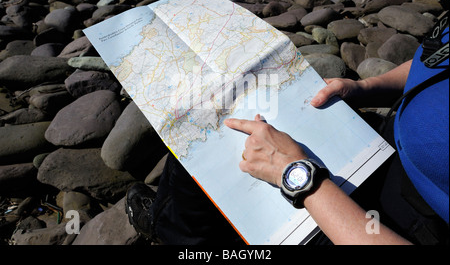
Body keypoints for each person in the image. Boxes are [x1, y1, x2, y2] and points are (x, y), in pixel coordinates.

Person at [126, 15, 448, 245]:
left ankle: (168, 232)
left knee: (202, 152)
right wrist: (366, 87)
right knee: (208, 128)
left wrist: (297, 177)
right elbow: (435, 57)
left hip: (402, 220)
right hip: (385, 143)